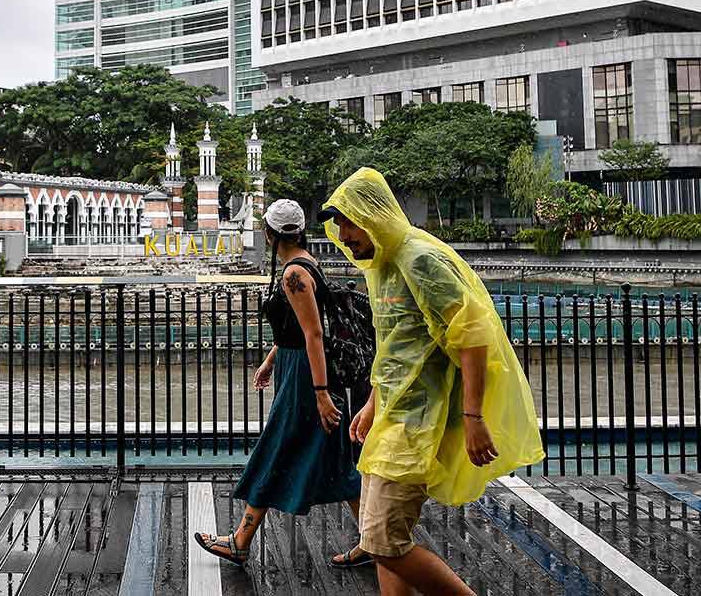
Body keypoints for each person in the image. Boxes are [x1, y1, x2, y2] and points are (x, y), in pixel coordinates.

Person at [319, 168, 545, 595]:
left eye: (348, 221)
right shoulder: (382, 262)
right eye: (339, 223)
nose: (342, 234)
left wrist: (474, 415)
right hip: (392, 417)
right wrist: (372, 405)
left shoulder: (419, 258)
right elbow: (398, 346)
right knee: (382, 538)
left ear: (371, 214)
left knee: (383, 543)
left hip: (419, 422)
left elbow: (471, 334)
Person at [194, 198, 364, 567]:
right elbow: (294, 328)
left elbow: (314, 334)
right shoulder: (303, 264)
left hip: (307, 374)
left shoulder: (293, 275)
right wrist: (272, 360)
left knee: (278, 447)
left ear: (270, 234)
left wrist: (320, 393)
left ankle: (241, 540)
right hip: (298, 365)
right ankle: (374, 538)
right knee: (336, 456)